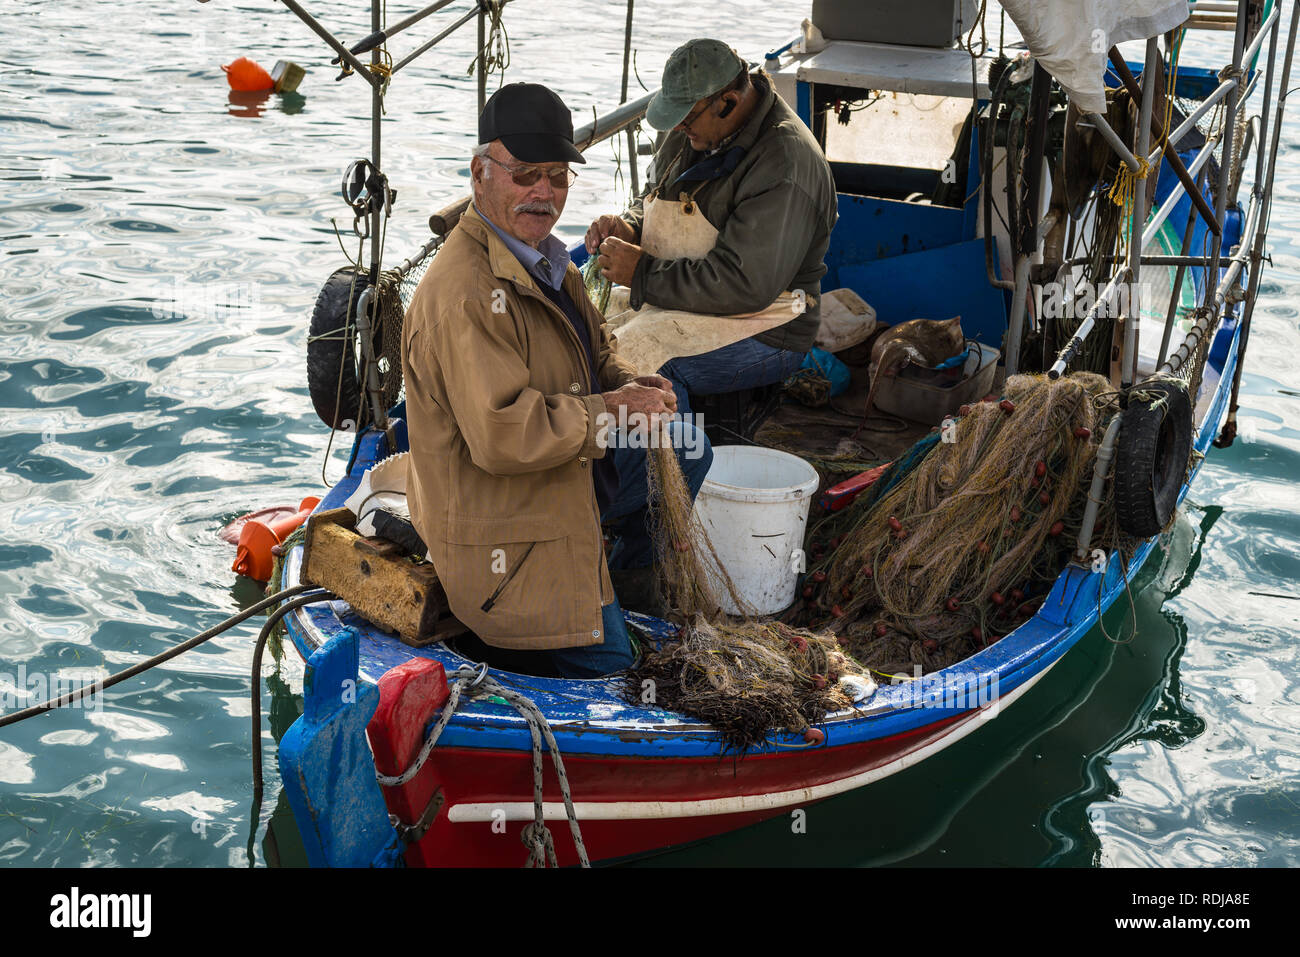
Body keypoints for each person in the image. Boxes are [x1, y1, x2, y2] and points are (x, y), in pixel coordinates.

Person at [401, 82, 712, 679]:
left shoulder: (540, 256)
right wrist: (614, 411)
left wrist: (630, 383)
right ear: (480, 174)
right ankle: (579, 617)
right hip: (504, 523)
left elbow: (597, 350)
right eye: (524, 175)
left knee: (687, 446)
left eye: (557, 176)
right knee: (620, 671)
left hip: (562, 475)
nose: (543, 192)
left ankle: (613, 579)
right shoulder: (465, 294)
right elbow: (501, 435)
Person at [586, 38, 839, 414]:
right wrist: (629, 226)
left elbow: (745, 285)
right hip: (684, 293)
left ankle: (679, 466)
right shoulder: (696, 127)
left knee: (645, 366)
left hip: (768, 325)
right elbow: (653, 195)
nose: (679, 127)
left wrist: (641, 272)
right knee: (584, 330)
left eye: (686, 118)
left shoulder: (786, 164)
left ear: (728, 102)